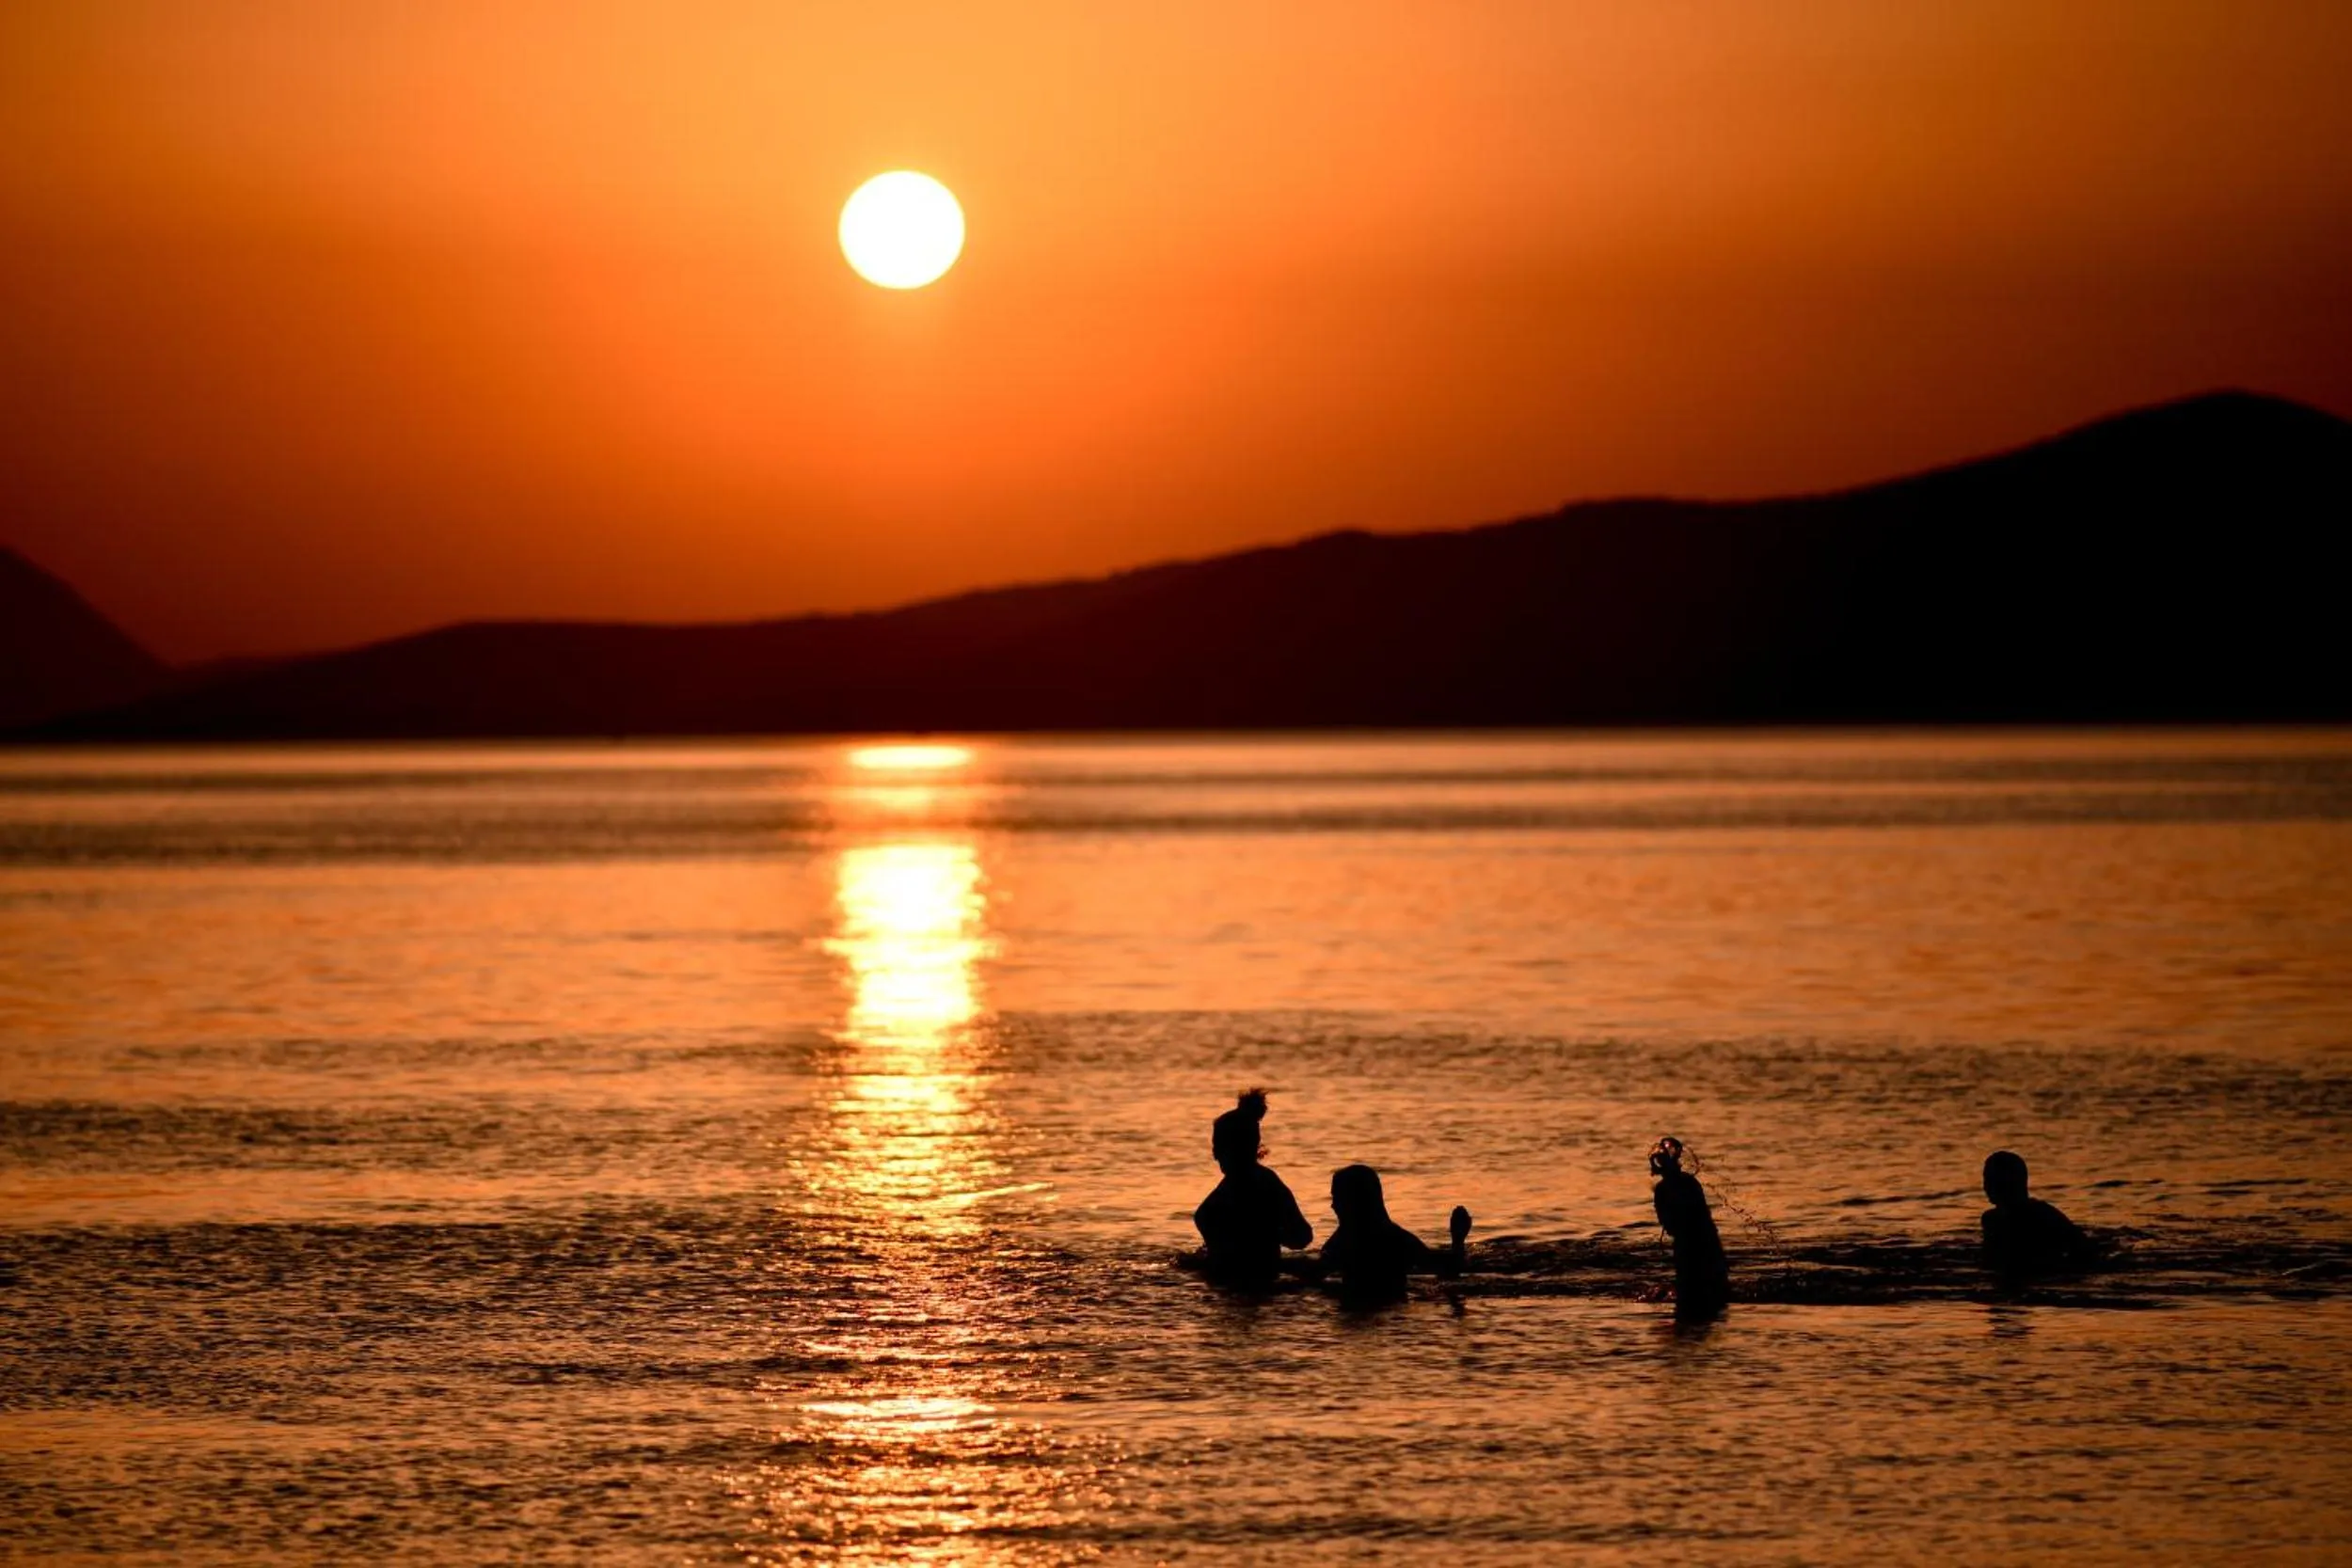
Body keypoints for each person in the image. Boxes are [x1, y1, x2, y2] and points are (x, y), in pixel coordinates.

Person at [1191, 1090, 1312, 1286]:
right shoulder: (1229, 1186)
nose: (1214, 1154)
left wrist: (1265, 1231)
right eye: (1215, 1146)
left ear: (1246, 1147)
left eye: (1220, 1146)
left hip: (1257, 1282)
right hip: (1223, 1288)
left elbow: (1302, 1236)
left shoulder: (1266, 1183)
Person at [1313, 1164, 1470, 1300]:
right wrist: (1457, 1244)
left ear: (1356, 1201)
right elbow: (1444, 1266)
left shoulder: (1391, 1239)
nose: (1333, 1206)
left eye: (1337, 1198)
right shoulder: (1396, 1238)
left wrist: (1457, 1241)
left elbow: (1316, 1272)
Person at [1979, 1149, 2095, 1277]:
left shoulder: (2042, 1215)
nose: (1986, 1187)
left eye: (1993, 1180)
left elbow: (2083, 1248)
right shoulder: (1991, 1219)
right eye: (1986, 1180)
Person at [1649, 1136, 1729, 1321]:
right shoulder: (1686, 1184)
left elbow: (1668, 1223)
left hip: (1695, 1243)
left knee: (1691, 1290)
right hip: (1702, 1241)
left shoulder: (1671, 1188)